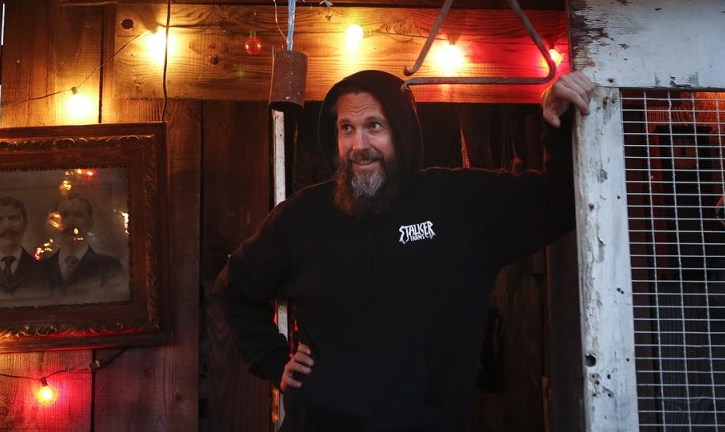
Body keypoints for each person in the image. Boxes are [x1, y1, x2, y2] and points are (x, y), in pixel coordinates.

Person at [211, 68, 594, 431]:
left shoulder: (459, 203)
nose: (359, 145)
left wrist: (555, 124)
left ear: (403, 131)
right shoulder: (301, 218)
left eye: (374, 126)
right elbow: (234, 290)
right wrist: (274, 360)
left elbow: (558, 204)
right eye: (347, 128)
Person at [40, 191, 129, 302]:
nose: (71, 222)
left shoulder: (110, 267)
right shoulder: (40, 270)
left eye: (78, 215)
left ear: (90, 223)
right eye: (64, 215)